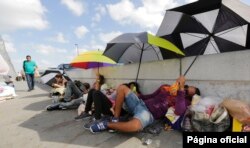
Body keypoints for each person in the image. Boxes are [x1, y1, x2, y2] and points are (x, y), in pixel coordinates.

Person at [89, 75, 200, 133]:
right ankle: (115, 119)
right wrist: (138, 95)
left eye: (188, 92)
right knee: (122, 87)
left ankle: (108, 125)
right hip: (140, 103)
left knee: (135, 126)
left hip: (148, 113)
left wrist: (181, 89)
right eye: (186, 88)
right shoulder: (166, 87)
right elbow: (151, 96)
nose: (185, 90)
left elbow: (179, 111)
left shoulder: (184, 101)